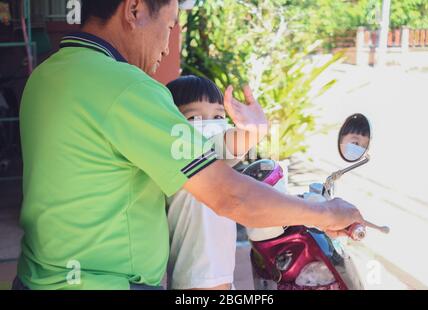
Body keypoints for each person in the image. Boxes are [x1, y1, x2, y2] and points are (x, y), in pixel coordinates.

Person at [14, 0, 364, 290]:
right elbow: (230, 196)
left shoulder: (46, 76)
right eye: (168, 26)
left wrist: (246, 135)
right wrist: (325, 214)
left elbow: (186, 150)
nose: (167, 45)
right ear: (134, 9)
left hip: (36, 278)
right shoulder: (126, 87)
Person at [166, 75, 268, 290]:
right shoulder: (183, 152)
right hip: (197, 283)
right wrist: (253, 132)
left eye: (218, 116)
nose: (209, 125)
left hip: (220, 280)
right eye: (194, 118)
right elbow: (227, 143)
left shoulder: (215, 161)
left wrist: (252, 132)